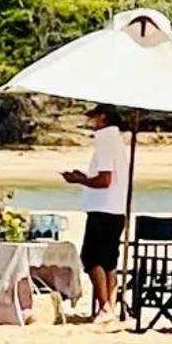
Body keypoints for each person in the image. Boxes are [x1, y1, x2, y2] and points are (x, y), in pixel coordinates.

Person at [61, 104, 130, 321]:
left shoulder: (105, 138)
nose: (92, 123)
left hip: (103, 207)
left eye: (94, 118)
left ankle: (105, 305)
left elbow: (105, 180)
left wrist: (79, 180)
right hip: (117, 207)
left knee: (91, 257)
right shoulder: (117, 139)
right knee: (109, 260)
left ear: (103, 118)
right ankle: (109, 305)